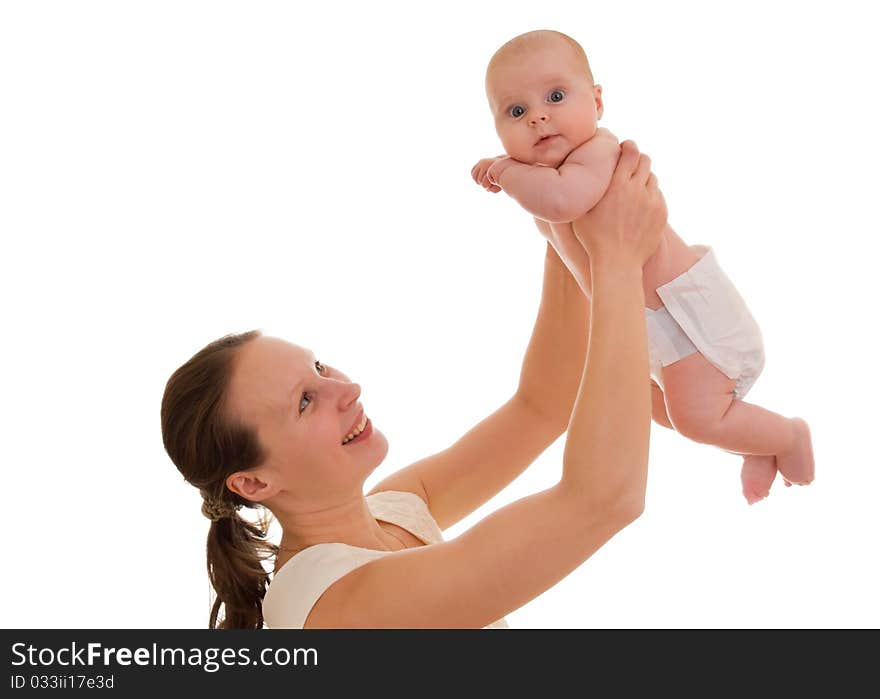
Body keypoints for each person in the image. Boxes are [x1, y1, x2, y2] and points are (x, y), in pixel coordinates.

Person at [161, 141, 664, 629]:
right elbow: (603, 499)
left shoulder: (395, 509)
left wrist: (565, 222)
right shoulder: (333, 606)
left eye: (319, 369)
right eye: (306, 402)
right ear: (253, 483)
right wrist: (615, 259)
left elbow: (543, 405)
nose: (348, 389)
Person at [471, 29, 814, 504]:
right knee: (661, 411)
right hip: (658, 330)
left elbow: (562, 202)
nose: (538, 117)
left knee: (696, 417)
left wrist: (506, 171)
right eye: (516, 111)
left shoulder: (598, 154)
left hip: (693, 320)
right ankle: (751, 442)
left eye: (554, 96)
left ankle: (788, 436)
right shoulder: (550, 173)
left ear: (597, 102)